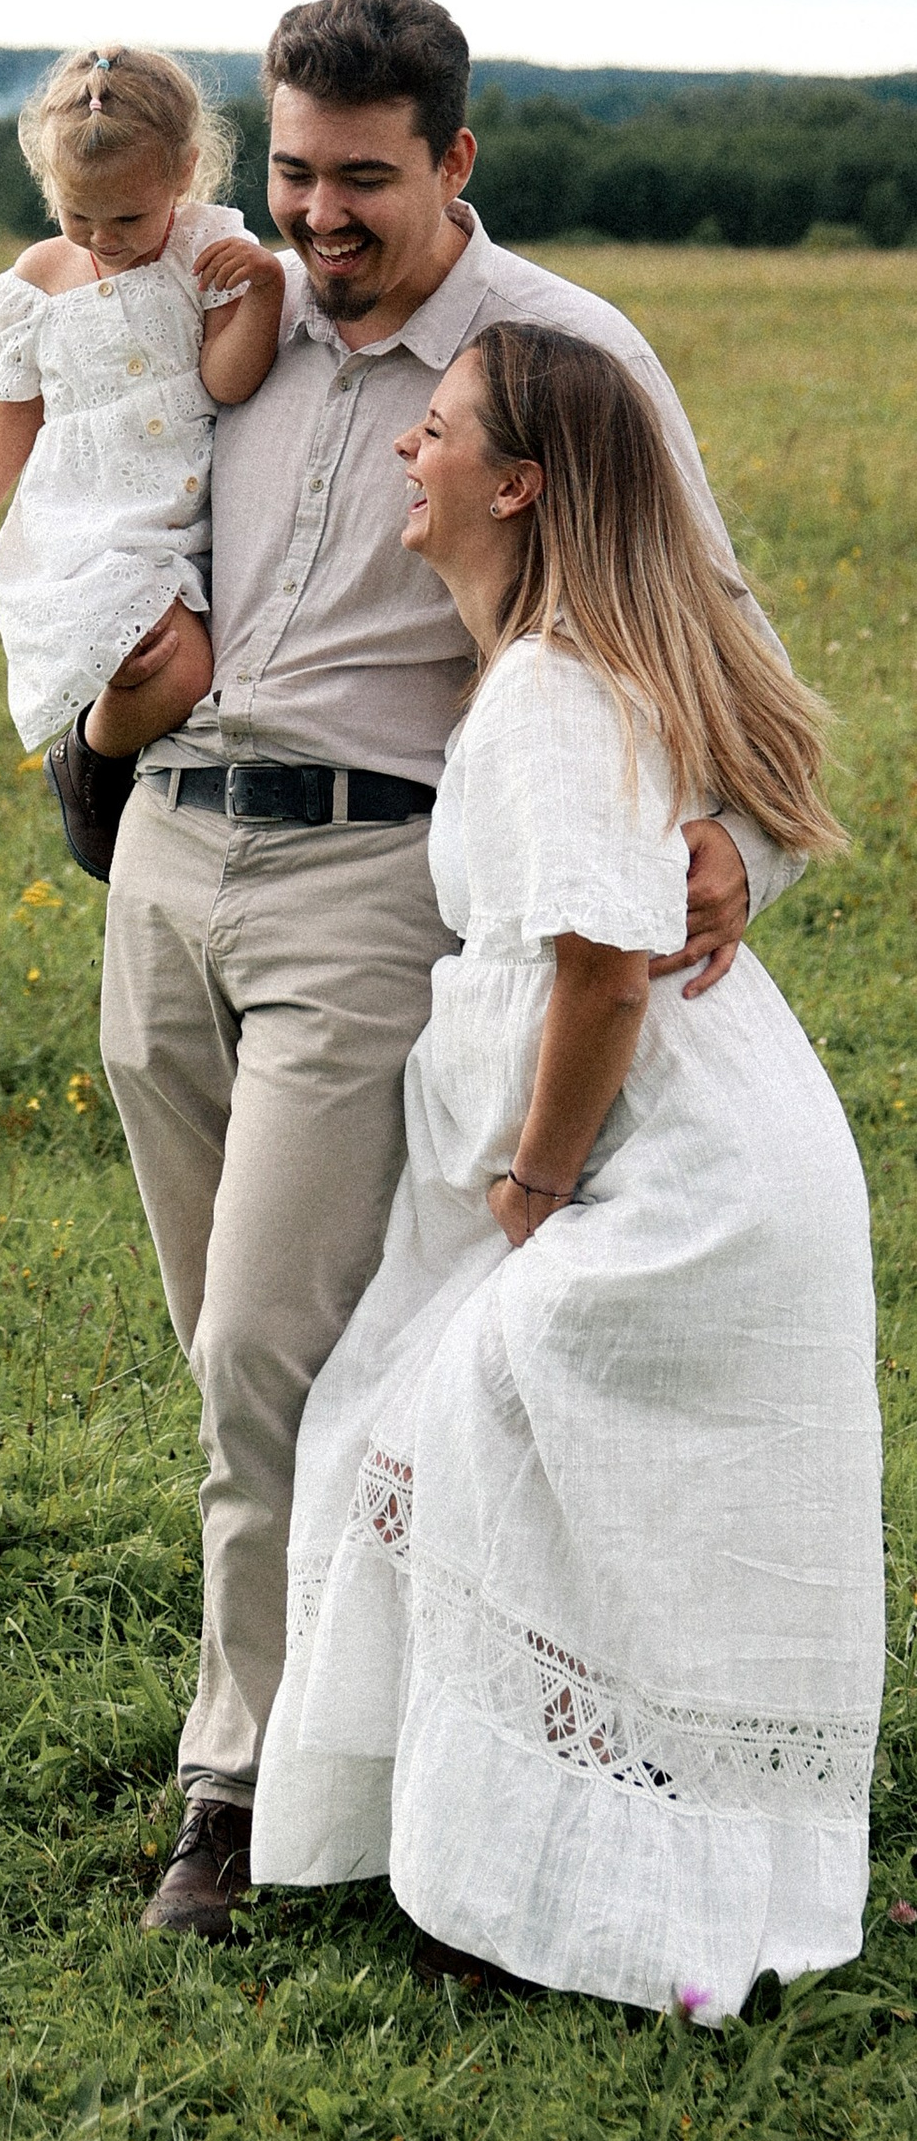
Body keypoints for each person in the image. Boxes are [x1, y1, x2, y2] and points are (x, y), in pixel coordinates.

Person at [67, 0, 801, 1941]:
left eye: (361, 180)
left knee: (261, 1350)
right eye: (290, 169)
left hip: (364, 893)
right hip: (161, 863)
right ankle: (366, 1715)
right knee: (245, 1363)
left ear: (455, 162)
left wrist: (724, 843)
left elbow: (697, 622)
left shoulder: (552, 362)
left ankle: (229, 1790)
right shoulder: (228, 325)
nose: (316, 217)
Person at [252, 325, 878, 2012]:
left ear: (514, 485)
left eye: (437, 431)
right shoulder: (573, 660)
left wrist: (530, 1190)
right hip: (728, 1147)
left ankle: (536, 1892)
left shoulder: (543, 686)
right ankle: (516, 1861)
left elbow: (602, 966)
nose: (408, 450)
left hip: (684, 1188)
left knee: (449, 1435)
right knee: (421, 1436)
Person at [0, 45, 285, 757]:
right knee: (157, 666)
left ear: (183, 172)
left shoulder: (207, 247)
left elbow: (228, 381)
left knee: (191, 666)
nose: (105, 239)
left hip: (184, 509)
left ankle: (100, 764)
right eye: (79, 215)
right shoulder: (39, 276)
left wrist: (262, 292)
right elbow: (19, 402)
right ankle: (92, 768)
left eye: (129, 219)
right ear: (49, 188)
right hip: (83, 514)